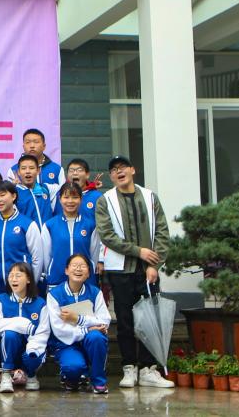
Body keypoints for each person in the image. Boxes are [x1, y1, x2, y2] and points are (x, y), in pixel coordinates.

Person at [95, 155, 173, 389]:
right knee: (125, 320)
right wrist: (139, 252)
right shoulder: (105, 201)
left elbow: (162, 232)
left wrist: (154, 265)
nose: (119, 172)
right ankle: (129, 367)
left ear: (132, 170)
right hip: (120, 270)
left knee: (151, 320)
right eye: (114, 170)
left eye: (123, 168)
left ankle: (149, 369)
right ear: (111, 176)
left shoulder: (150, 197)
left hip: (148, 271)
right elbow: (107, 235)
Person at [45, 254, 110, 394]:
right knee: (73, 368)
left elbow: (104, 321)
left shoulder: (95, 292)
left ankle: (99, 382)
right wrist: (87, 329)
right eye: (74, 265)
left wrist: (78, 319)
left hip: (90, 341)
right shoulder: (54, 295)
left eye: (83, 266)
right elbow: (58, 329)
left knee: (97, 337)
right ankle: (73, 377)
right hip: (66, 343)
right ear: (66, 270)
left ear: (88, 273)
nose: (78, 269)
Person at [0, 262, 49, 393]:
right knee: (10, 334)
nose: (14, 279)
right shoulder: (0, 300)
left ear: (28, 279)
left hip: (30, 350)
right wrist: (21, 323)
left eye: (18, 275)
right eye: (11, 276)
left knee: (33, 353)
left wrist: (31, 349)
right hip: (7, 350)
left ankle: (31, 375)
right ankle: (6, 374)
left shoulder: (40, 303)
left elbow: (43, 333)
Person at [0, 181, 42, 298]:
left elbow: (37, 258)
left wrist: (31, 283)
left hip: (21, 286)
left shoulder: (27, 224)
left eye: (2, 195)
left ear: (13, 196)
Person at [41, 183, 102, 288]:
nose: (70, 201)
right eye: (66, 197)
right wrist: (51, 270)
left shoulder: (90, 225)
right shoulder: (49, 225)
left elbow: (94, 255)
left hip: (85, 281)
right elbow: (46, 256)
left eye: (75, 197)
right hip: (57, 280)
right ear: (60, 199)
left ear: (81, 199)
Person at [7, 129, 63, 197]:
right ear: (23, 146)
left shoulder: (57, 169)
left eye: (36, 142)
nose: (32, 146)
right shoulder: (13, 170)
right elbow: (9, 196)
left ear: (44, 146)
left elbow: (63, 195)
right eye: (28, 142)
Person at [14, 154, 54, 229]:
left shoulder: (46, 189)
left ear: (38, 170)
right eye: (23, 168)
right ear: (18, 172)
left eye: (31, 168)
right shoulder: (14, 193)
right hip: (26, 234)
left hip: (47, 234)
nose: (27, 171)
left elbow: (65, 188)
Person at [62, 157, 103, 222]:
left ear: (87, 175)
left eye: (79, 170)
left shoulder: (97, 197)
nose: (75, 173)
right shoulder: (60, 196)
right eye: (71, 170)